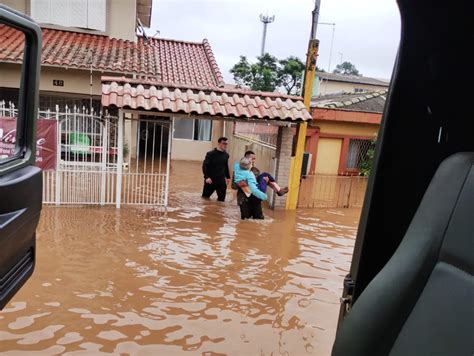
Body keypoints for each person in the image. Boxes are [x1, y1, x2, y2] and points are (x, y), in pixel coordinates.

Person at [202, 137, 231, 202]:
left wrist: (228, 177)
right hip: (210, 181)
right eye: (224, 143)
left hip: (221, 181)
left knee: (221, 201)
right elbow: (204, 166)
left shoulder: (226, 155)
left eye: (226, 144)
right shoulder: (210, 154)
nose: (225, 145)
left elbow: (225, 166)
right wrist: (206, 177)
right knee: (205, 199)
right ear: (219, 143)